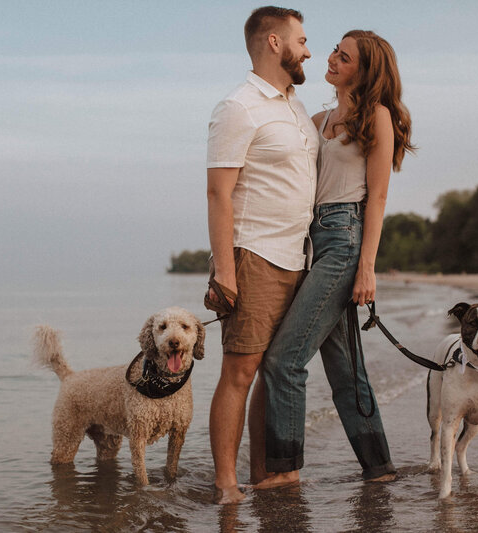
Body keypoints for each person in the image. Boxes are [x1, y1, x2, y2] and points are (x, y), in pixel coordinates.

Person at [259, 30, 415, 487]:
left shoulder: (378, 117)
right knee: (345, 369)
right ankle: (379, 468)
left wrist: (366, 267)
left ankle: (284, 471)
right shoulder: (319, 117)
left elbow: (379, 199)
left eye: (344, 57)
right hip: (311, 241)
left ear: (364, 71)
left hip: (345, 240)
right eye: (334, 50)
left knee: (284, 361)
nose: (331, 59)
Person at [205, 6, 318, 504]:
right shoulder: (239, 106)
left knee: (273, 374)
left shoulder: (295, 106)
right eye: (302, 39)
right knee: (240, 372)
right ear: (274, 43)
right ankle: (225, 483)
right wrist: (225, 271)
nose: (309, 50)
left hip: (299, 259)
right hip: (254, 255)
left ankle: (259, 472)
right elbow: (217, 194)